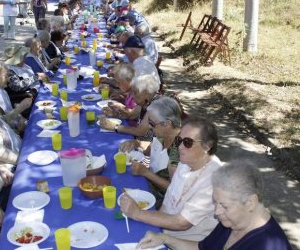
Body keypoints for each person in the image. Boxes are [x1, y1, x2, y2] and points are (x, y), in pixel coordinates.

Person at [136, 161, 292, 250]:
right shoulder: (233, 221)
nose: (217, 212)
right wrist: (163, 238)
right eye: (215, 202)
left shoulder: (266, 245)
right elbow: (202, 248)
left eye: (224, 205)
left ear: (251, 202)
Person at [121, 118, 222, 241]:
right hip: (163, 232)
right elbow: (168, 202)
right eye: (179, 140)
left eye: (188, 142)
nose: (179, 147)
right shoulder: (185, 162)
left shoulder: (215, 178)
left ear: (207, 146)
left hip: (183, 242)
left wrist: (137, 213)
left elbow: (182, 223)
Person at [119, 97, 182, 209]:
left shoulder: (179, 149)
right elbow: (151, 149)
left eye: (152, 123)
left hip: (161, 202)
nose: (149, 127)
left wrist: (146, 173)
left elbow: (174, 190)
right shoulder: (163, 135)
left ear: (167, 124)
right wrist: (137, 143)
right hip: (148, 185)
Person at [99, 74, 160, 141]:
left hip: (150, 147)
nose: (133, 96)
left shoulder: (155, 106)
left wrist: (115, 127)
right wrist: (114, 114)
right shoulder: (145, 101)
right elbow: (131, 115)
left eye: (135, 93)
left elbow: (140, 131)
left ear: (146, 93)